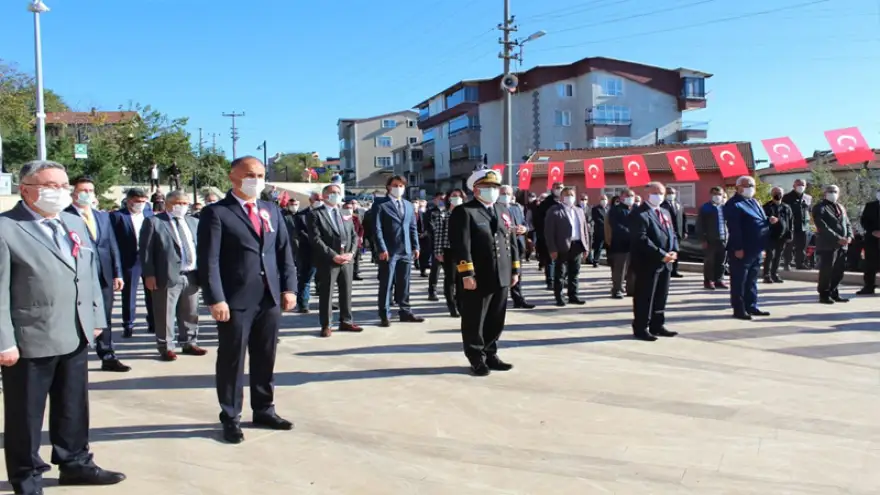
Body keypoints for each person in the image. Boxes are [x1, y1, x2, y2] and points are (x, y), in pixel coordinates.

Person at [0, 160, 126, 494]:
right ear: (25, 189)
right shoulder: (6, 228)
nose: (59, 192)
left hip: (76, 333)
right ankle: (27, 476)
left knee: (73, 407)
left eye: (62, 185)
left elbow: (88, 272)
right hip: (30, 338)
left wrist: (97, 319)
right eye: (49, 186)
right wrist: (4, 342)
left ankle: (75, 463)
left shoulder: (73, 222)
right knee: (25, 416)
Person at [197, 156, 297, 444]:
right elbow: (209, 261)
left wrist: (289, 288)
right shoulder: (216, 213)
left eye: (261, 174)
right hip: (235, 299)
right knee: (232, 359)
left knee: (266, 356)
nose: (256, 179)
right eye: (250, 174)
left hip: (269, 297)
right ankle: (230, 416)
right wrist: (216, 298)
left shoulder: (270, 210)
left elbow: (283, 253)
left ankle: (264, 408)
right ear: (233, 177)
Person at [448, 168, 519, 376]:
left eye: (495, 188)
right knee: (475, 318)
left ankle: (491, 353)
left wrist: (515, 269)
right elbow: (461, 246)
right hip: (478, 276)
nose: (493, 191)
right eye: (488, 187)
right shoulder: (465, 211)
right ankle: (476, 357)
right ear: (476, 189)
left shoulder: (503, 211)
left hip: (502, 274)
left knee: (496, 318)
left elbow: (511, 241)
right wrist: (466, 274)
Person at [66, 176, 130, 372]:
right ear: (73, 193)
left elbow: (111, 245)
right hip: (78, 276)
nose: (87, 194)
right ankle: (76, 357)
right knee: (77, 316)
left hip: (103, 275)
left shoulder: (102, 216)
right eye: (83, 190)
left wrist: (118, 273)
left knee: (105, 316)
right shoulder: (64, 216)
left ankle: (107, 354)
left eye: (91, 190)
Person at [140, 190, 207, 360]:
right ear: (168, 204)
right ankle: (166, 346)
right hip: (166, 275)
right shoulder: (154, 222)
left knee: (191, 311)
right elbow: (146, 251)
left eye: (185, 203)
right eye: (179, 203)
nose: (182, 206)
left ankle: (189, 342)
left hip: (191, 274)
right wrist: (149, 274)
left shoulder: (194, 222)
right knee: (165, 313)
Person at [308, 184, 361, 337]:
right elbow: (316, 239)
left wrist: (351, 253)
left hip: (347, 259)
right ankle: (326, 324)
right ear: (324, 196)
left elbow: (353, 235)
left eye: (338, 192)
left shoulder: (345, 212)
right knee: (327, 293)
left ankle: (346, 321)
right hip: (328, 260)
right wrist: (333, 255)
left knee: (346, 292)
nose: (336, 195)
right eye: (332, 193)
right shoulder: (315, 214)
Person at [629, 182, 679, 341]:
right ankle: (641, 327)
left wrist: (674, 250)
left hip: (666, 262)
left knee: (661, 295)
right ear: (646, 194)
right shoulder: (639, 214)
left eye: (662, 193)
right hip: (647, 262)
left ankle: (657, 325)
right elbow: (641, 239)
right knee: (645, 296)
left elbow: (672, 232)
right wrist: (661, 254)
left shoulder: (665, 211)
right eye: (655, 192)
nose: (659, 196)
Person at [372, 175, 424, 327]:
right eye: (395, 185)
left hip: (406, 249)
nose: (398, 188)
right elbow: (377, 229)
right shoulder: (380, 205)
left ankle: (405, 311)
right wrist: (381, 248)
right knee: (387, 283)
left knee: (404, 282)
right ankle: (385, 314)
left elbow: (412, 227)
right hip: (389, 251)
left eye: (401, 185)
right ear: (388, 187)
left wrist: (416, 246)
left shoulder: (408, 205)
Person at [724, 176, 772, 320]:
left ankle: (751, 305)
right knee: (740, 280)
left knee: (752, 279)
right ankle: (739, 309)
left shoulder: (754, 202)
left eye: (752, 185)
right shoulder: (734, 204)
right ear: (738, 187)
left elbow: (760, 221)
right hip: (742, 249)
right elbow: (735, 228)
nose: (750, 187)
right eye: (747, 185)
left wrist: (769, 221)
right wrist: (738, 247)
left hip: (756, 248)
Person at [110, 188, 155, 338]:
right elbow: (113, 240)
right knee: (129, 293)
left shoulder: (148, 214)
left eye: (143, 201)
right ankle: (128, 324)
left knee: (152, 291)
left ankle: (153, 322)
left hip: (148, 258)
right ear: (129, 201)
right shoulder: (117, 216)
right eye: (137, 201)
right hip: (129, 259)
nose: (140, 204)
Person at [544, 187, 590, 307]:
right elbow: (549, 232)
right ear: (561, 197)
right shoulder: (554, 210)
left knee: (574, 273)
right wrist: (552, 249)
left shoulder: (579, 210)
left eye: (572, 195)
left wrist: (586, 247)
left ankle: (573, 295)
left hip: (577, 245)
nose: (570, 197)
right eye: (567, 195)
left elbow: (584, 229)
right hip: (561, 246)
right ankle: (559, 297)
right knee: (560, 274)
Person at [812, 184, 852, 304]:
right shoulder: (820, 207)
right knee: (827, 270)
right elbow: (822, 226)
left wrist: (849, 236)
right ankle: (824, 294)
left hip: (843, 245)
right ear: (825, 193)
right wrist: (837, 238)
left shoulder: (841, 207)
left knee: (838, 271)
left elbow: (847, 223)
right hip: (828, 245)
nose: (833, 193)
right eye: (830, 191)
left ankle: (834, 292)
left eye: (835, 191)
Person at [433, 189, 466, 317]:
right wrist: (438, 251)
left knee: (462, 279)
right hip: (449, 251)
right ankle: (452, 306)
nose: (456, 198)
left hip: (463, 252)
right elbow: (439, 235)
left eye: (459, 196)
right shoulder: (443, 214)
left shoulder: (466, 213)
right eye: (453, 196)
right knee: (451, 279)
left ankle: (461, 304)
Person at [501, 186, 534, 309]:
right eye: (503, 193)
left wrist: (524, 229)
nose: (506, 196)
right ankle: (501, 300)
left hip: (518, 246)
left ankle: (518, 298)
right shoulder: (495, 208)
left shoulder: (517, 208)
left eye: (508, 193)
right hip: (502, 246)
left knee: (517, 274)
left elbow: (526, 223)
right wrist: (509, 230)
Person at [605, 189, 636, 298]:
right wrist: (631, 233)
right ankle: (617, 289)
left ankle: (631, 289)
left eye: (632, 195)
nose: (630, 198)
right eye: (627, 195)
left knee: (633, 269)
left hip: (634, 245)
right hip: (620, 244)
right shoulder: (615, 210)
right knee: (620, 269)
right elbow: (616, 226)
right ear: (621, 197)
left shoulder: (636, 210)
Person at [696, 187, 728, 290]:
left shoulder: (725, 207)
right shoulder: (705, 208)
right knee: (710, 262)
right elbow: (700, 225)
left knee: (721, 262)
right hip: (710, 239)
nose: (717, 196)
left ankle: (719, 280)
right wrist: (703, 239)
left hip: (724, 238)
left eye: (719, 194)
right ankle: (708, 281)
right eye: (715, 194)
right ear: (711, 194)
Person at [762, 187, 793, 283]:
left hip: (783, 236)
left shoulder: (787, 207)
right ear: (771, 194)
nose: (777, 194)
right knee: (770, 255)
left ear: (783, 194)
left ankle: (774, 274)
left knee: (778, 256)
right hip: (770, 235)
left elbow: (790, 221)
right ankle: (766, 275)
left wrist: (790, 234)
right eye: (775, 192)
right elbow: (762, 219)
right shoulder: (766, 206)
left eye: (779, 192)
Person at [781, 179, 811, 270]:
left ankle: (800, 263)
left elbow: (810, 210)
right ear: (794, 186)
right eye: (799, 184)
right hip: (792, 225)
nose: (801, 186)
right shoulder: (787, 197)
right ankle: (787, 263)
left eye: (803, 185)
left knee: (802, 246)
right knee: (789, 245)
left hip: (804, 225)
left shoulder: (808, 198)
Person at [858, 189, 880, 295]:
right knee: (870, 264)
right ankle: (868, 286)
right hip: (871, 239)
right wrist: (872, 231)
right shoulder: (870, 206)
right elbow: (864, 221)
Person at [660, 186, 685, 278]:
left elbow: (683, 218)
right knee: (668, 252)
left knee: (676, 252)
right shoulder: (662, 205)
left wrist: (684, 231)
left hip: (677, 233)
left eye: (672, 193)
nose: (671, 195)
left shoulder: (679, 204)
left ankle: (675, 270)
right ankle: (667, 270)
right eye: (669, 193)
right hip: (667, 233)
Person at [590, 195, 608, 268]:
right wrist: (606, 224)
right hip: (600, 231)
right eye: (602, 199)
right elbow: (597, 219)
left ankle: (609, 261)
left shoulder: (608, 209)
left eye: (605, 199)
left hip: (608, 232)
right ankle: (596, 261)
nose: (604, 201)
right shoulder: (595, 209)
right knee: (598, 247)